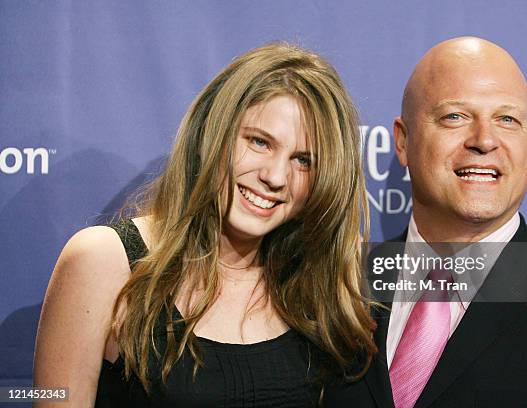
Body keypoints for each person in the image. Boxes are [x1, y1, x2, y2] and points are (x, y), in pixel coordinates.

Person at [33, 43, 377, 407]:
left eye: (303, 161)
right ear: (212, 132)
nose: (276, 176)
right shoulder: (104, 261)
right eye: (259, 142)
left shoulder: (323, 280)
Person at [324, 37, 527, 407]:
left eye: (507, 119)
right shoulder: (333, 288)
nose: (485, 140)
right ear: (402, 141)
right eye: (455, 117)